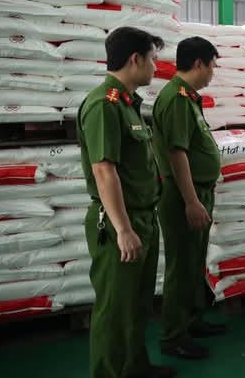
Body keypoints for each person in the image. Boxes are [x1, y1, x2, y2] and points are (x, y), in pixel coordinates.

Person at [77, 27, 175, 378]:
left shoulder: (128, 105)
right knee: (116, 309)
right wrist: (123, 229)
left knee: (137, 304)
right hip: (121, 221)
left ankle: (135, 368)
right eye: (152, 59)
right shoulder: (105, 105)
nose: (155, 67)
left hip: (143, 217)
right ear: (135, 59)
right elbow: (104, 170)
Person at [152, 37, 225, 360]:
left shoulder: (188, 98)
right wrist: (192, 201)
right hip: (184, 196)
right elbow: (176, 153)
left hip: (197, 191)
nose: (212, 72)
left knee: (194, 262)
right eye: (212, 66)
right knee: (181, 266)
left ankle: (192, 321)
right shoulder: (176, 99)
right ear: (198, 64)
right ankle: (173, 336)